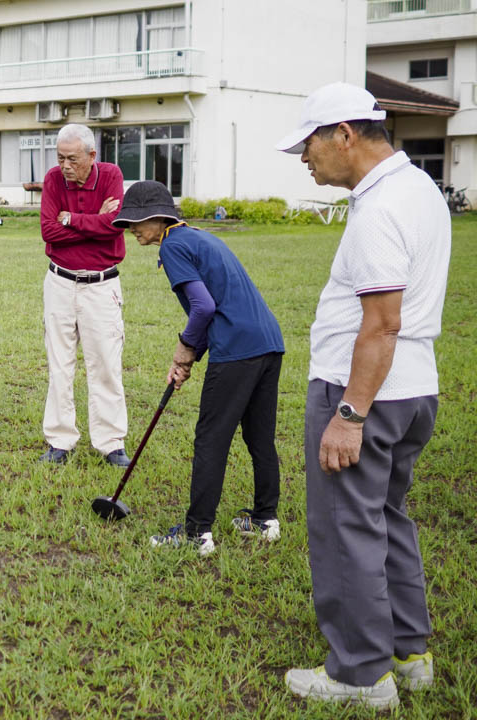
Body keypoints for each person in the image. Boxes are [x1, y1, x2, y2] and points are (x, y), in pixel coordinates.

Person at [275, 82, 451, 709]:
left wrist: (348, 414)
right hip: (413, 389)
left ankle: (359, 674)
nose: (304, 159)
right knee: (384, 515)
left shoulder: (380, 210)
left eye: (309, 144)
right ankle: (409, 652)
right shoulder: (419, 189)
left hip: (366, 391)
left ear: (344, 135)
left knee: (345, 525)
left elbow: (381, 322)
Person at [111, 181, 285, 557]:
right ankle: (265, 519)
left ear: (160, 218)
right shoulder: (200, 238)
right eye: (128, 222)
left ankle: (196, 533)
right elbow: (216, 306)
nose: (133, 229)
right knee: (259, 437)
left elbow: (204, 308)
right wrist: (190, 357)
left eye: (138, 221)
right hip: (269, 344)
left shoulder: (174, 245)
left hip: (237, 350)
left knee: (211, 439)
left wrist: (184, 349)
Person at [37, 123, 130, 468]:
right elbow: (48, 232)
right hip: (60, 282)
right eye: (60, 158)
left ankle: (110, 442)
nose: (65, 166)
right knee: (59, 363)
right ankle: (60, 441)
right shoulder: (52, 180)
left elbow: (116, 226)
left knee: (105, 363)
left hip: (101, 285)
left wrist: (72, 220)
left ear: (92, 155)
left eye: (72, 159)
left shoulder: (111, 176)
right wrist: (93, 221)